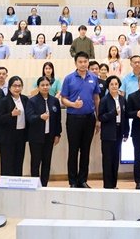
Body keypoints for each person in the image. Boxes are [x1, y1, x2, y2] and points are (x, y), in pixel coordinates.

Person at [60, 52, 100, 188]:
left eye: (85, 61)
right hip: (73, 119)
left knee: (85, 150)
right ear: (75, 63)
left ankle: (82, 180)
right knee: (73, 150)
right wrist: (73, 104)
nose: (83, 64)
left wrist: (98, 118)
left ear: (88, 62)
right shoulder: (69, 78)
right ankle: (72, 181)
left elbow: (96, 98)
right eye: (80, 62)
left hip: (89, 119)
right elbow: (63, 99)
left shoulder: (94, 78)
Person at [26, 76, 62, 187]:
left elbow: (58, 119)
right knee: (35, 162)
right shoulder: (32, 101)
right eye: (42, 85)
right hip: (36, 137)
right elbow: (29, 117)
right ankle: (35, 184)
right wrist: (40, 117)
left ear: (50, 86)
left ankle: (44, 185)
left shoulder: (54, 101)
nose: (45, 87)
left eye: (47, 85)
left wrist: (57, 134)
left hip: (49, 136)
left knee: (47, 162)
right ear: (38, 87)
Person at [98, 75, 128, 189]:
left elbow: (125, 116)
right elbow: (100, 117)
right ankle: (107, 186)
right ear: (108, 86)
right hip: (108, 133)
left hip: (119, 131)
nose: (114, 86)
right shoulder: (104, 100)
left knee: (115, 159)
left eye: (116, 84)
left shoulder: (122, 99)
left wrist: (126, 132)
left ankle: (114, 185)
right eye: (112, 84)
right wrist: (112, 113)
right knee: (107, 160)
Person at [0, 76, 29, 177]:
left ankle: (18, 183)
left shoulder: (25, 99)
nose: (17, 88)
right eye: (14, 86)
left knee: (19, 162)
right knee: (7, 163)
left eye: (19, 86)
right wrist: (11, 114)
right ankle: (7, 185)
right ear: (9, 87)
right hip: (7, 136)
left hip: (21, 135)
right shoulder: (4, 100)